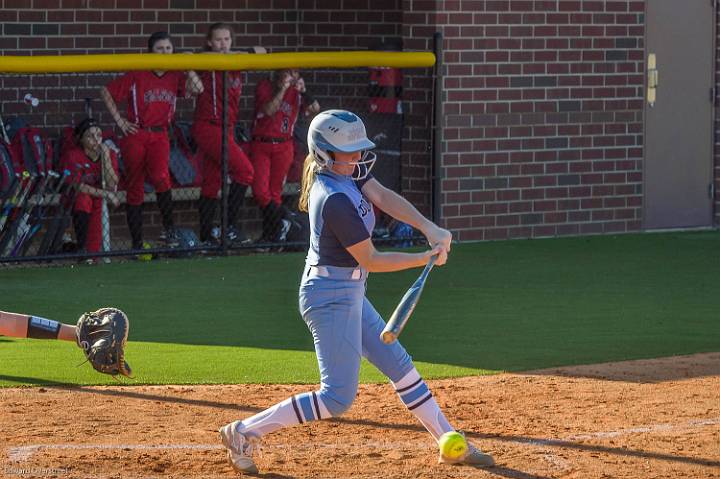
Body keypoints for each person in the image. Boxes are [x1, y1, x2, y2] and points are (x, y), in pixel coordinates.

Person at [217, 110, 495, 474]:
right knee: (336, 397)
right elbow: (372, 259)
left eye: (358, 150)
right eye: (347, 152)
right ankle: (242, 432)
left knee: (399, 365)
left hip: (347, 290)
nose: (357, 157)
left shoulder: (349, 172)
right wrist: (423, 258)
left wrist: (429, 228)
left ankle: (449, 442)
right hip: (328, 297)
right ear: (323, 154)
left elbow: (382, 195)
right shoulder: (333, 199)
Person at [100, 31, 202, 251]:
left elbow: (198, 88)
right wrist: (120, 121)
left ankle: (169, 230)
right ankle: (136, 243)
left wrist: (188, 63)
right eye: (159, 49)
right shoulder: (138, 72)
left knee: (160, 177)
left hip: (161, 134)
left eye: (168, 48)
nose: (165, 53)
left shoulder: (175, 74)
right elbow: (106, 92)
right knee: (135, 185)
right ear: (150, 52)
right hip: (136, 133)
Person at [191, 23, 263, 246]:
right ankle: (228, 227)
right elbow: (186, 56)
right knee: (245, 171)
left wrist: (237, 53)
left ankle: (206, 237)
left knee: (212, 182)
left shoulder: (236, 61)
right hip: (208, 126)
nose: (223, 44)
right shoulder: (204, 60)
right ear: (209, 42)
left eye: (227, 39)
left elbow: (261, 52)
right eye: (218, 40)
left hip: (227, 128)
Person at [250, 68, 320, 243]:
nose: (292, 76)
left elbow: (315, 109)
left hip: (284, 146)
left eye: (295, 72)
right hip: (262, 143)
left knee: (274, 194)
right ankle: (286, 219)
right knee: (260, 192)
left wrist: (304, 92)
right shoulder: (265, 86)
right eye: (289, 72)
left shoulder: (297, 92)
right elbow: (269, 110)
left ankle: (270, 236)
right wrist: (282, 89)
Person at [61, 118, 120, 255]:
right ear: (81, 139)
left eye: (99, 135)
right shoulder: (73, 155)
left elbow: (112, 184)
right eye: (90, 136)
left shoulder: (109, 153)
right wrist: (107, 194)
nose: (96, 139)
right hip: (77, 198)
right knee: (84, 199)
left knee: (94, 251)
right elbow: (78, 186)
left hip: (99, 198)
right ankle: (81, 249)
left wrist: (105, 157)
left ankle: (91, 253)